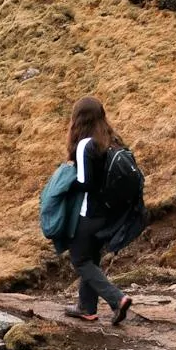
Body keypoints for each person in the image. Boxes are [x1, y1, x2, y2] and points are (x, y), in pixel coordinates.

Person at [63, 97, 133, 326]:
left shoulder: (86, 144)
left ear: (78, 119)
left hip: (89, 212)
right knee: (91, 257)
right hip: (107, 214)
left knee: (80, 259)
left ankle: (117, 299)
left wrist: (63, 183)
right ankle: (86, 307)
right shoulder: (111, 140)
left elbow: (85, 183)